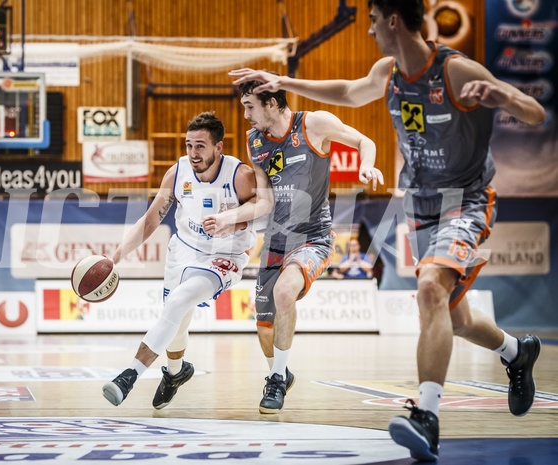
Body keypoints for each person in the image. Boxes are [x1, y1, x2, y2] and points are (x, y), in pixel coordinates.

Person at [229, 0, 546, 461]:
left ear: (393, 20)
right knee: (452, 317)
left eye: (374, 21)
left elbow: (535, 113)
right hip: (421, 201)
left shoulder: (455, 71)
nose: (370, 30)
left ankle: (426, 416)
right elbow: (348, 91)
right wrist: (286, 80)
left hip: (464, 200)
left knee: (430, 289)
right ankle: (518, 352)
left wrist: (506, 99)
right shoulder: (389, 70)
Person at [221, 75, 383, 415]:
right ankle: (282, 370)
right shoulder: (255, 141)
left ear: (271, 103)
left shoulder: (314, 124)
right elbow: (264, 203)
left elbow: (364, 141)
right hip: (276, 240)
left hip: (314, 236)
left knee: (285, 292)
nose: (246, 115)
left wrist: (366, 167)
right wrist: (230, 217)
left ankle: (276, 380)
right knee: (264, 329)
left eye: (249, 106)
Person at [102, 111, 273, 409]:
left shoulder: (240, 175)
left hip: (224, 255)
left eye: (200, 146)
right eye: (188, 145)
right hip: (182, 250)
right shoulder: (177, 172)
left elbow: (265, 209)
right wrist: (118, 255)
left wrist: (232, 220)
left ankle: (129, 375)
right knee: (176, 321)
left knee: (179, 301)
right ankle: (175, 373)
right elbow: (152, 218)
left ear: (218, 147)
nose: (193, 153)